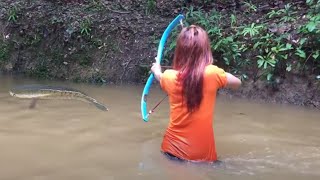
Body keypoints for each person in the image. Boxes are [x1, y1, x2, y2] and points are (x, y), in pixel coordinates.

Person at [150, 25, 241, 162]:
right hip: (203, 158)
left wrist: (156, 70)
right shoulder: (213, 73)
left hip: (172, 153)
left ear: (180, 51)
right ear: (205, 50)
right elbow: (237, 82)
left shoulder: (169, 77)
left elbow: (160, 76)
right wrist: (218, 74)